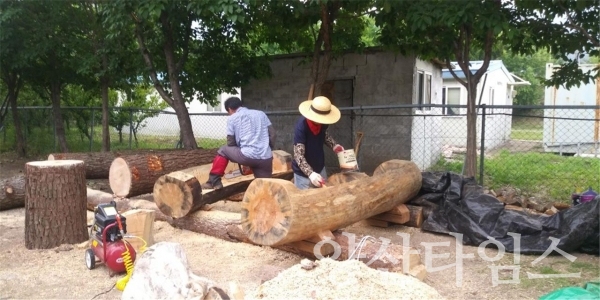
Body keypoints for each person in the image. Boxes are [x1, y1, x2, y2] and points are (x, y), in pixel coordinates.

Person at [201, 97, 275, 190]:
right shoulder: (261, 114)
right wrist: (267, 149)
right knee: (265, 187)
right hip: (266, 158)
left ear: (229, 109)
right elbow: (272, 134)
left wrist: (241, 153)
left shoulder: (232, 118)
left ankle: (213, 181)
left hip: (247, 155)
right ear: (241, 105)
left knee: (223, 150)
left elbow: (231, 142)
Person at [292, 96, 345, 189]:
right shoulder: (301, 126)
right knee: (305, 202)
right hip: (303, 175)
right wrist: (310, 173)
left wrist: (334, 145)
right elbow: (298, 155)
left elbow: (324, 134)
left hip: (320, 168)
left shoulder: (323, 123)